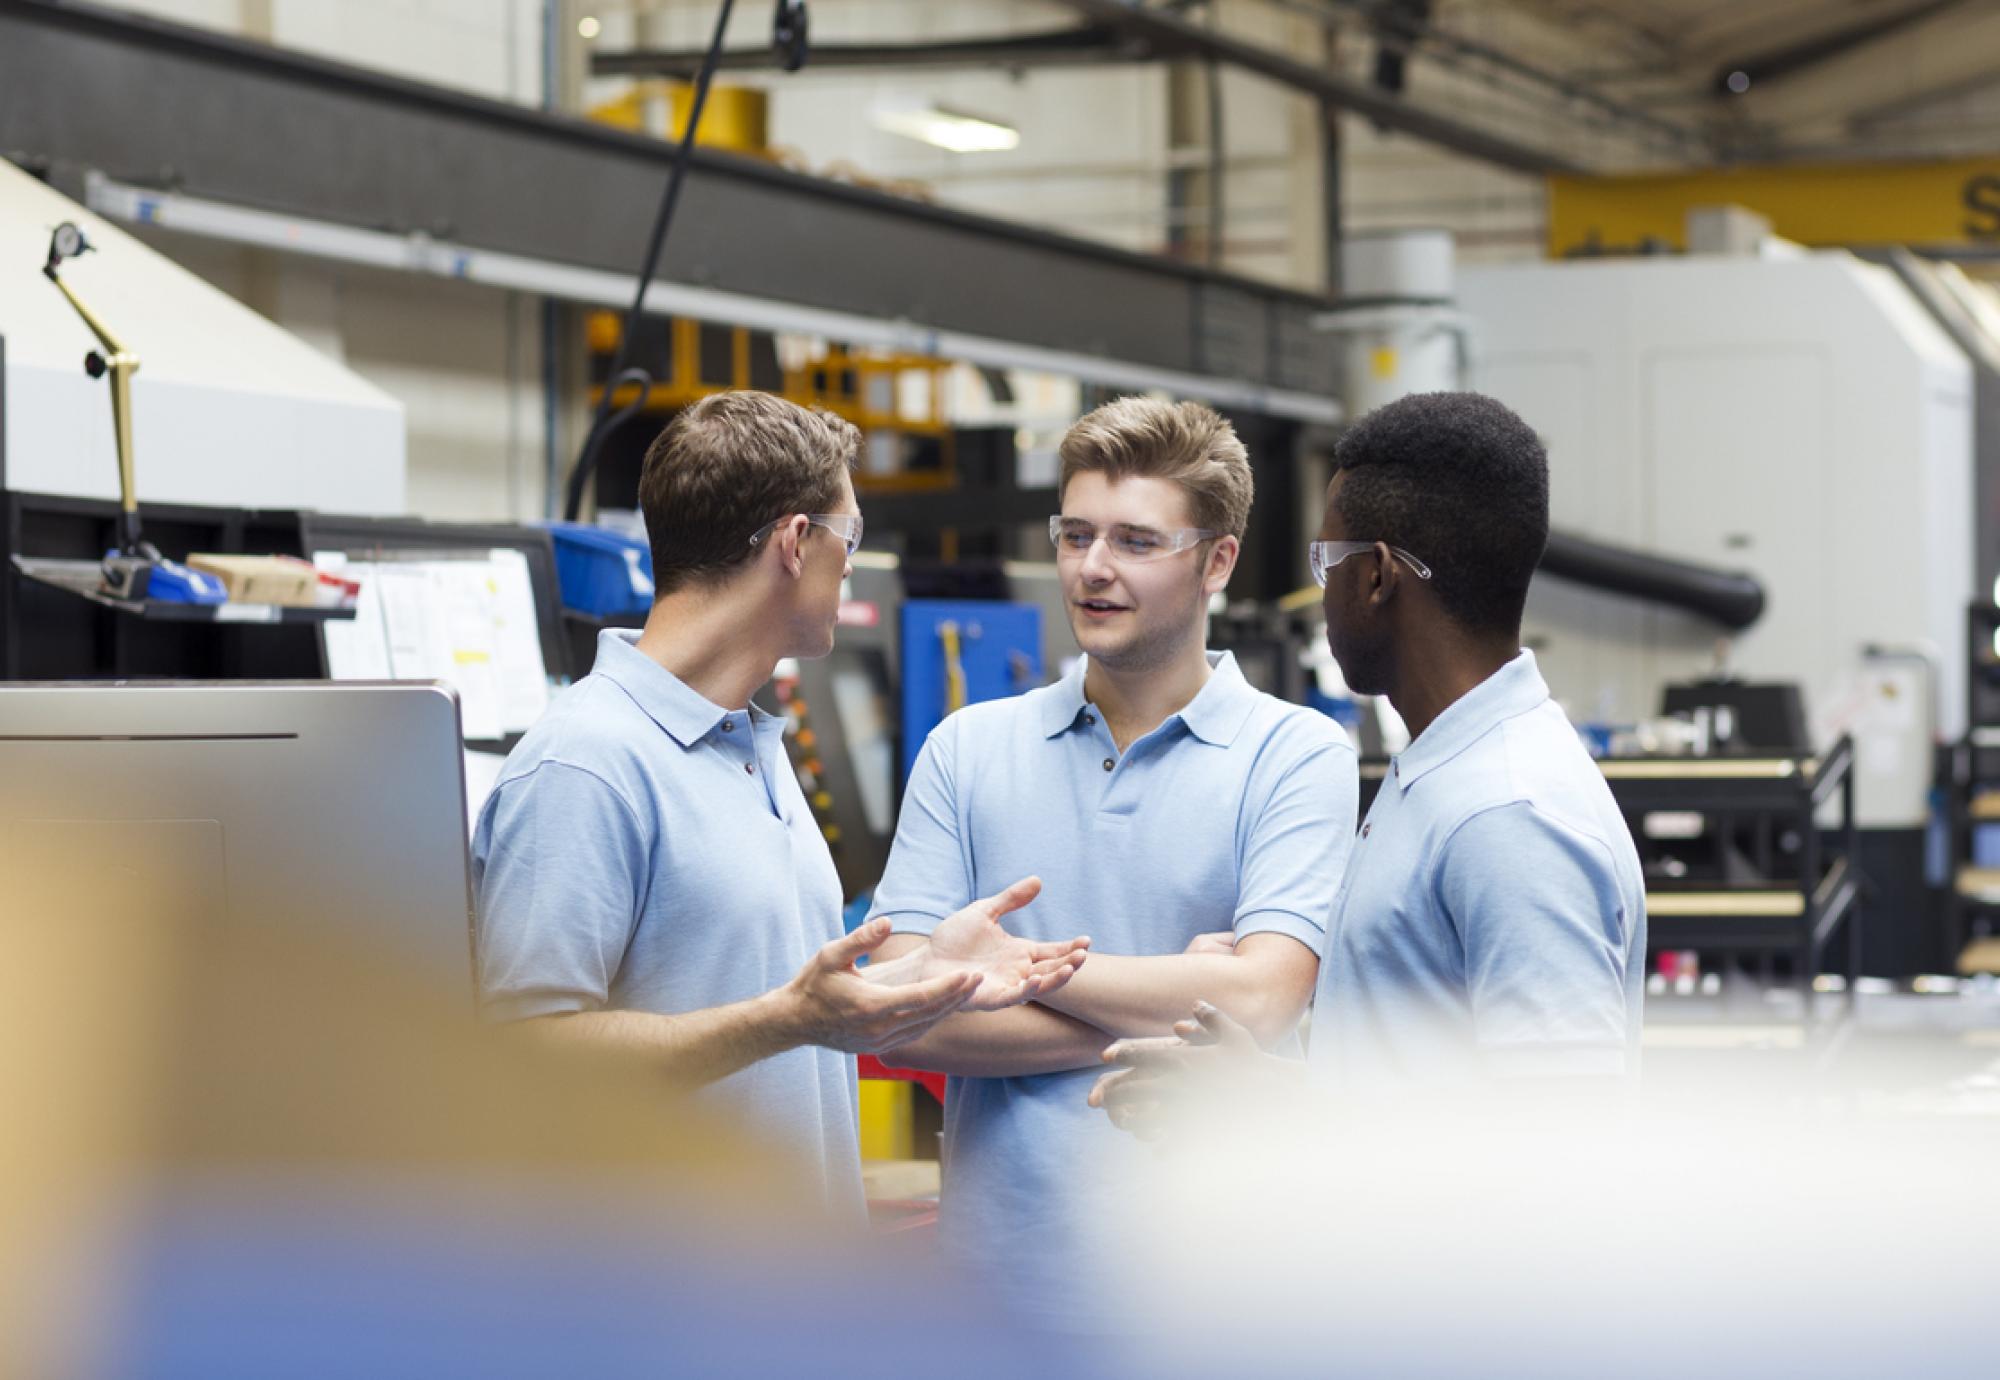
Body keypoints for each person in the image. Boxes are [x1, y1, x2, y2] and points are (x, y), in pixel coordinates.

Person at [472, 391, 1088, 1219]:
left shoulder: (753, 747)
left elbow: (766, 994)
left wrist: (921, 975)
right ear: (797, 543)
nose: (852, 566)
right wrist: (787, 1019)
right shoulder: (586, 765)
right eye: (851, 538)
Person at [866, 396, 1358, 1323]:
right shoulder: (966, 749)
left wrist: (1004, 974)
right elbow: (897, 1018)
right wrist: (1177, 1003)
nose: (1093, 568)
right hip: (1000, 1299)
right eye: (1076, 533)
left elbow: (1262, 1000)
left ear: (1217, 560)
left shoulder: (1296, 755)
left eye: (1136, 541)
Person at [1090, 390, 1647, 1128]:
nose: (1324, 594)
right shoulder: (1442, 772)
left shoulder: (1507, 814)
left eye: (1329, 561)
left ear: (1378, 576)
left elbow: (1562, 1139)